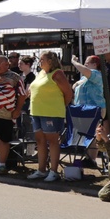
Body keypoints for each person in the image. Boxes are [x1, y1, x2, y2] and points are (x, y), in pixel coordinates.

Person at [26, 51, 73, 182]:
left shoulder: (58, 74)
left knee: (52, 141)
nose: (39, 62)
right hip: (36, 112)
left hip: (52, 113)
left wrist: (60, 106)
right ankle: (41, 170)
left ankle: (53, 171)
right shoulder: (41, 73)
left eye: (42, 59)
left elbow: (68, 93)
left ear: (50, 61)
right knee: (40, 141)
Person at [72, 55, 106, 167]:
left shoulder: (96, 74)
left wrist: (74, 62)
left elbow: (84, 70)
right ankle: (88, 158)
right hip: (83, 111)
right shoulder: (84, 78)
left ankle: (92, 159)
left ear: (95, 65)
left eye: (87, 62)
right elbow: (75, 86)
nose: (85, 64)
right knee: (87, 135)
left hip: (95, 110)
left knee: (93, 134)